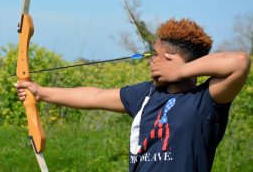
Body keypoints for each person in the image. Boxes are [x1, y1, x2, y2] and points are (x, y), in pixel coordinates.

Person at [15, 18, 251, 172]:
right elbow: (95, 97)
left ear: (172, 60)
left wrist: (180, 71)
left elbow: (239, 62)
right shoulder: (147, 94)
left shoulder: (205, 101)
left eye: (156, 55)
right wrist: (41, 92)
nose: (150, 60)